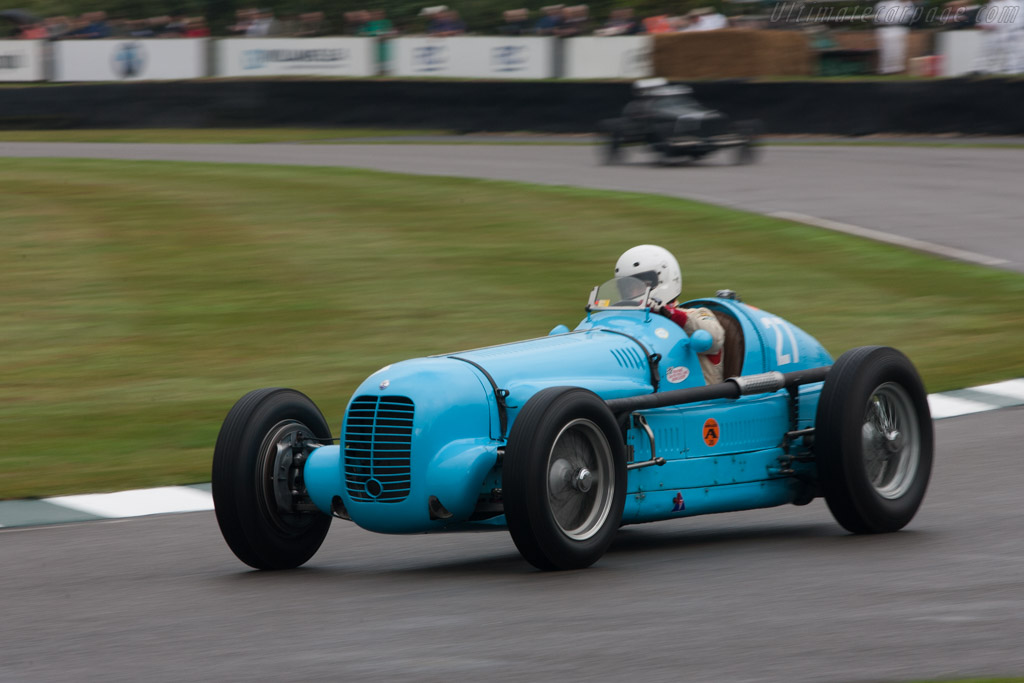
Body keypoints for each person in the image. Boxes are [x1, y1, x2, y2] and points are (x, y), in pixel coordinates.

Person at [614, 245, 726, 385]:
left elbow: (715, 339)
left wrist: (670, 314)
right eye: (628, 288)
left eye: (641, 285)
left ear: (663, 280)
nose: (633, 293)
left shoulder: (696, 314)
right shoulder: (632, 322)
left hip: (702, 400)